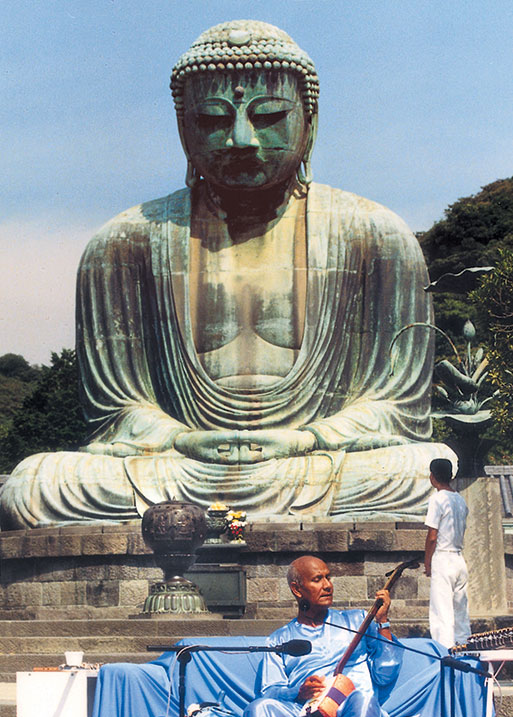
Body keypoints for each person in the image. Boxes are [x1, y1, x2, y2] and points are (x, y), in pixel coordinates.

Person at [0, 20, 455, 530]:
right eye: (214, 119)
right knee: (35, 484)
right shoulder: (123, 244)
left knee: (424, 470)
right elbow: (116, 411)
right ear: (183, 129)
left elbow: (396, 406)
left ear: (309, 119)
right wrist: (180, 438)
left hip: (315, 462)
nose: (241, 138)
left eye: (269, 116)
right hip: (178, 466)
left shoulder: (375, 236)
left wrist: (308, 438)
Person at [244, 555, 402, 717]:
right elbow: (268, 691)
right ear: (297, 589)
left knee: (365, 700)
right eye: (318, 579)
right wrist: (298, 691)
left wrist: (382, 623)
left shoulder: (357, 620)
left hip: (351, 708)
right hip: (304, 713)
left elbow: (385, 673)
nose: (328, 585)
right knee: (259, 709)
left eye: (328, 577)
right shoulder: (279, 639)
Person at [424, 457, 471, 648]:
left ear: (432, 476)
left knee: (441, 612)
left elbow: (432, 536)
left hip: (443, 557)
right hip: (459, 558)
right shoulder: (460, 499)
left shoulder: (437, 499)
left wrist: (427, 562)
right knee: (461, 611)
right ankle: (465, 647)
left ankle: (444, 653)